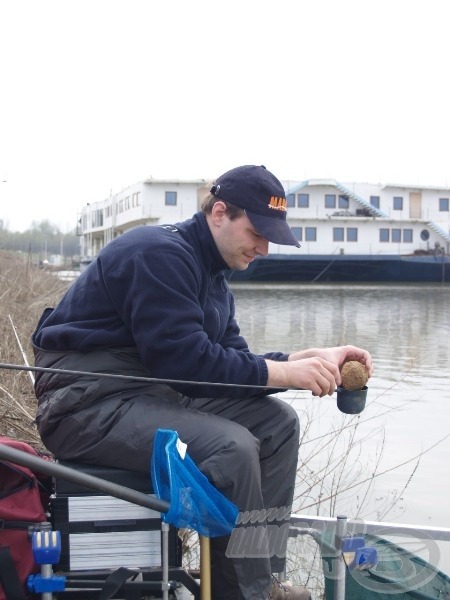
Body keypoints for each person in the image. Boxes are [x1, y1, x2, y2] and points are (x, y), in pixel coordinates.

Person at [32, 165, 373, 600]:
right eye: (257, 232)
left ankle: (259, 577)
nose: (264, 248)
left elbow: (229, 367)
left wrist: (302, 360)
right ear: (218, 213)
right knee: (231, 447)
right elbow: (185, 362)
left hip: (150, 393)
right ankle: (246, 593)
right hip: (84, 405)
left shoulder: (213, 278)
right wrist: (287, 373)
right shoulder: (159, 255)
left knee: (277, 425)